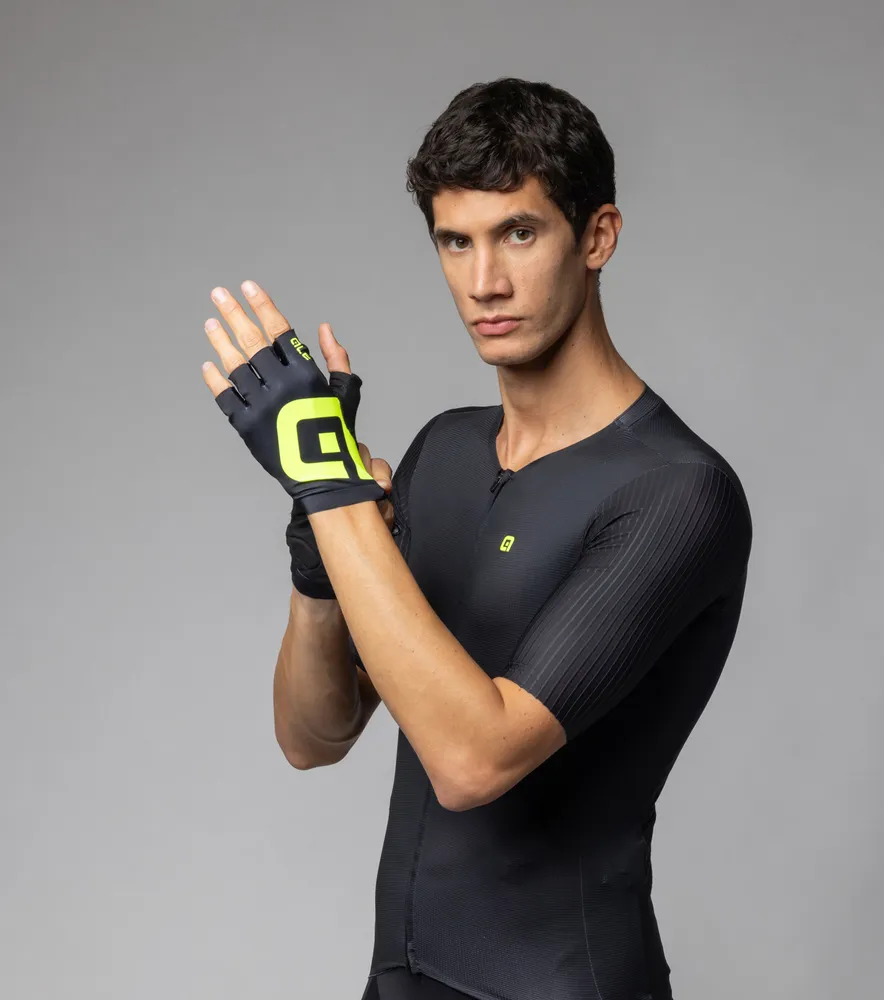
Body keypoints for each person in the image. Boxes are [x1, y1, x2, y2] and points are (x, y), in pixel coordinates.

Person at [202, 78, 753, 1000]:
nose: (484, 281)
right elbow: (313, 733)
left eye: (518, 233)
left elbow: (473, 759)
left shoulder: (676, 493)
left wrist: (332, 487)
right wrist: (319, 552)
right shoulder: (447, 451)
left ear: (598, 237)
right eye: (455, 241)